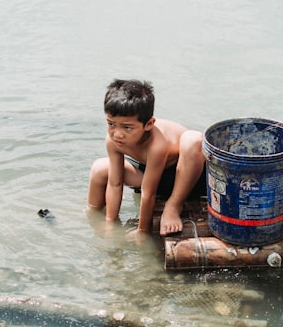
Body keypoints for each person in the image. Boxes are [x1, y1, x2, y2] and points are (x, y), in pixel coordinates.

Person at [88, 79, 206, 236]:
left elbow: (148, 192)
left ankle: (174, 205)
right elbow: (115, 184)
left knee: (193, 139)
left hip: (185, 178)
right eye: (111, 124)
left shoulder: (157, 145)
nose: (117, 133)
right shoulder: (113, 140)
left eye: (127, 127)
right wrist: (110, 223)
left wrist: (142, 231)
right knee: (99, 169)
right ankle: (92, 213)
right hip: (151, 176)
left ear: (149, 124)